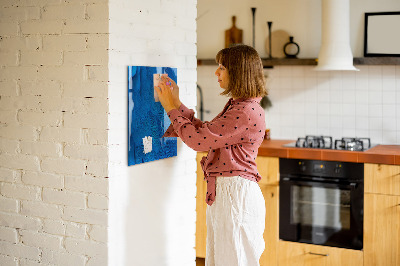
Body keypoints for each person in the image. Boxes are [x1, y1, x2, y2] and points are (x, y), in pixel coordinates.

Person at [155, 44, 267, 266]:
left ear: (238, 72)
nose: (217, 73)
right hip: (230, 195)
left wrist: (170, 108)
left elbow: (198, 141)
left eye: (222, 67)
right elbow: (206, 133)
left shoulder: (244, 111)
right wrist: (176, 103)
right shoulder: (240, 106)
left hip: (235, 197)